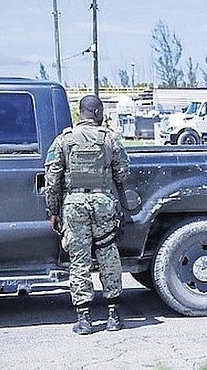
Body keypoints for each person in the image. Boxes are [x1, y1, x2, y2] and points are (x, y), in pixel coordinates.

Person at [45, 95, 130, 335]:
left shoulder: (64, 140)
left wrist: (53, 210)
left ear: (80, 112)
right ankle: (114, 315)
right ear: (97, 112)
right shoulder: (109, 138)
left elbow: (52, 179)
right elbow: (122, 172)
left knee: (79, 259)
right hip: (103, 203)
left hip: (74, 204)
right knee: (107, 254)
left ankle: (84, 319)